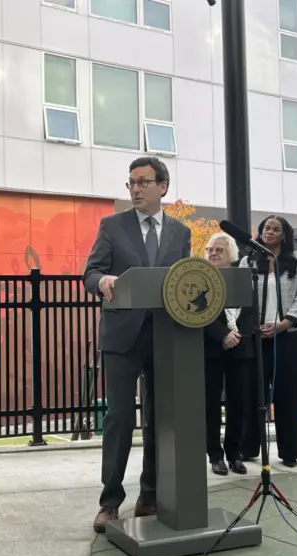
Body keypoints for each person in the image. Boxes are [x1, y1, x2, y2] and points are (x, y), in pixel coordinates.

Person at [83, 156, 192, 533]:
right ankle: (110, 501)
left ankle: (150, 494)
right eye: (131, 183)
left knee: (159, 419)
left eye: (143, 182)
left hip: (166, 336)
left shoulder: (180, 232)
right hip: (121, 336)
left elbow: (185, 280)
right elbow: (90, 273)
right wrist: (103, 282)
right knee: (119, 418)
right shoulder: (111, 226)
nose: (135, 189)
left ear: (163, 187)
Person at [239, 215, 297, 468]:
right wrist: (252, 326)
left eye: (275, 229)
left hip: (290, 338)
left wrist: (283, 324)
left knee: (289, 395)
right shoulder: (248, 261)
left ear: (284, 235)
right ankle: (248, 448)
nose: (269, 232)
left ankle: (289, 452)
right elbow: (239, 297)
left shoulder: (296, 262)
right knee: (253, 394)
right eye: (265, 228)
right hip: (256, 337)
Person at [202, 233, 256, 476]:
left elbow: (251, 311)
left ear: (231, 255)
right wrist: (223, 334)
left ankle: (234, 453)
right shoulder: (201, 277)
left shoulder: (242, 278)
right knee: (211, 404)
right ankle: (215, 455)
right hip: (212, 347)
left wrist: (238, 335)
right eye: (210, 249)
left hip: (240, 347)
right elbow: (199, 312)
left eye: (219, 250)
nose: (213, 253)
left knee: (239, 403)